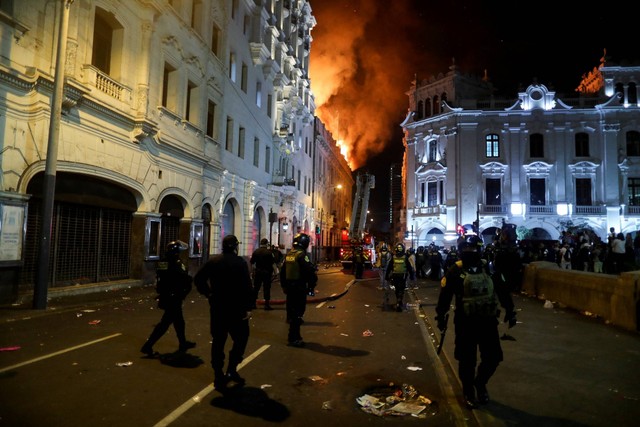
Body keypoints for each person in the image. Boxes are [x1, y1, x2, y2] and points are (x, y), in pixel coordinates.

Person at [435, 234, 516, 409]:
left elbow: (502, 290)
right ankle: (468, 391)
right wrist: (440, 316)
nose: (469, 252)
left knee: (493, 358)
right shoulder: (455, 271)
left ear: (479, 249)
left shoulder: (489, 268)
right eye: (466, 249)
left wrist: (510, 310)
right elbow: (445, 296)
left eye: (472, 249)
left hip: (488, 322)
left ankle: (480, 383)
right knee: (467, 360)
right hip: (465, 323)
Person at [194, 235, 254, 392]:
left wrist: (208, 293)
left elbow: (199, 279)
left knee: (218, 341)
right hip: (236, 309)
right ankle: (232, 368)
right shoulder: (240, 262)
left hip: (218, 308)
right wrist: (249, 307)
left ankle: (218, 374)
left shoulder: (213, 261)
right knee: (241, 338)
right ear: (235, 247)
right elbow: (247, 286)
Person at [141, 240, 195, 356]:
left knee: (179, 322)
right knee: (165, 324)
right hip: (173, 297)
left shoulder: (164, 262)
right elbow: (182, 277)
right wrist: (188, 281)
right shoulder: (174, 262)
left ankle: (182, 343)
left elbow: (162, 277)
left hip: (168, 295)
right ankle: (148, 345)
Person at [280, 233, 318, 347]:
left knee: (292, 311)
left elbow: (282, 273)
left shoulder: (289, 254)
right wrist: (312, 286)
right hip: (299, 287)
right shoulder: (301, 255)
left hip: (290, 288)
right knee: (298, 313)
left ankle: (295, 336)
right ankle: (294, 338)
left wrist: (284, 286)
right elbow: (309, 272)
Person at [385, 242, 414, 312]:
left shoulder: (394, 257)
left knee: (397, 289)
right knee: (401, 289)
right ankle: (399, 300)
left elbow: (389, 267)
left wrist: (386, 276)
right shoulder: (405, 258)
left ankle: (398, 300)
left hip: (395, 275)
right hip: (403, 276)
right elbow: (409, 267)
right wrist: (412, 276)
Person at [250, 238, 277, 310]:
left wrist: (252, 272)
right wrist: (276, 272)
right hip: (267, 273)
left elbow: (252, 263)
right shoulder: (269, 253)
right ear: (266, 244)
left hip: (258, 272)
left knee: (256, 288)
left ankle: (253, 304)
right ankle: (266, 305)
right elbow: (273, 263)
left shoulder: (256, 252)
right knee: (267, 288)